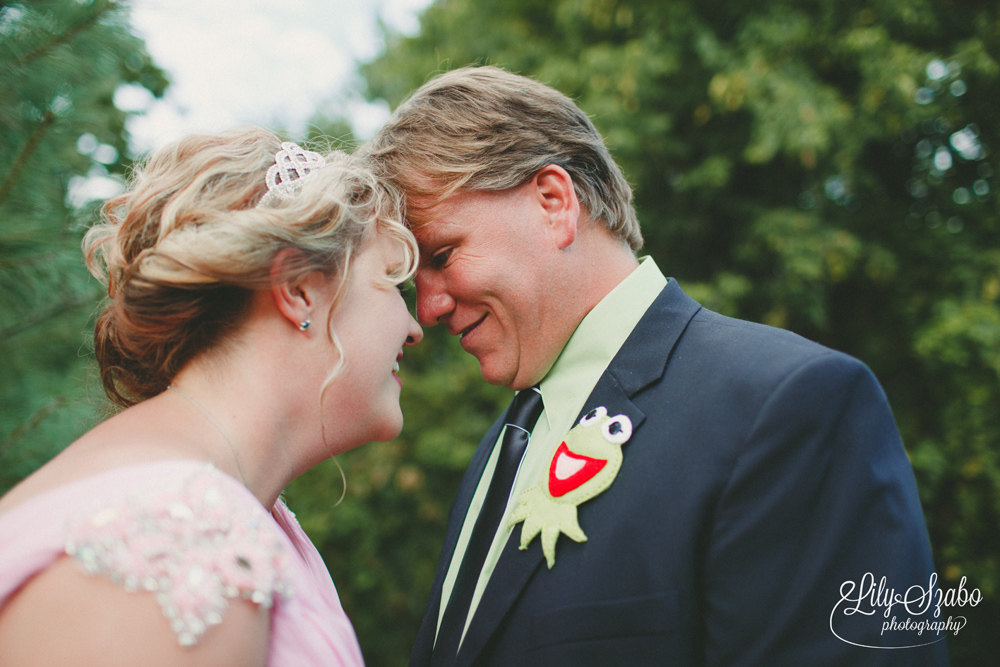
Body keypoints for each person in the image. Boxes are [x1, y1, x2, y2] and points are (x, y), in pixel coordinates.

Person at [360, 66, 949, 666]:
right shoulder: (502, 448)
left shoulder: (791, 406)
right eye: (414, 282)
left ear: (553, 202)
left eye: (443, 254)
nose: (428, 308)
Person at [0, 127, 422, 665]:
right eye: (391, 281)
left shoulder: (238, 511)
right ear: (297, 288)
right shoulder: (172, 539)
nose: (414, 326)